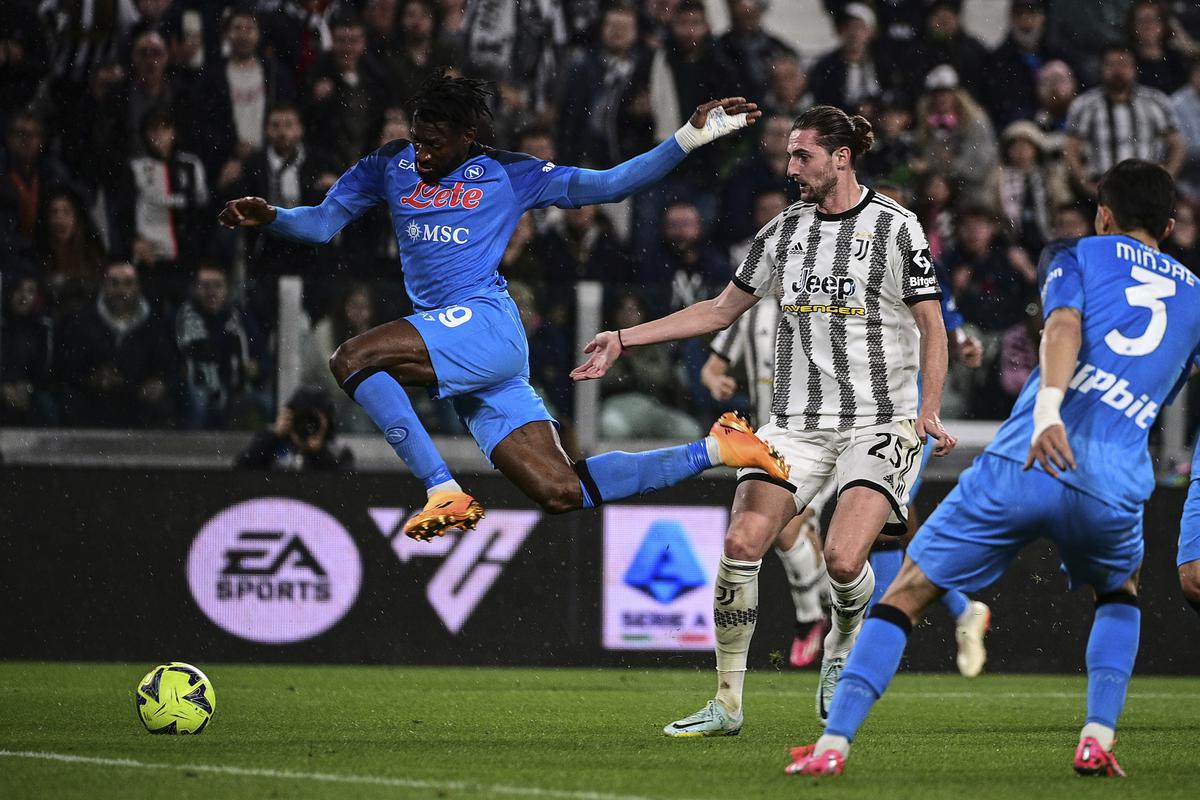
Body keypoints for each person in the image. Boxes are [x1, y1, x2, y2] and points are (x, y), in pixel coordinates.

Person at [219, 72, 785, 542]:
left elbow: (612, 185)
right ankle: (719, 446)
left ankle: (441, 490)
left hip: (484, 324)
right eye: (416, 138)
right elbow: (321, 224)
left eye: (434, 142)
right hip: (464, 349)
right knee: (562, 490)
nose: (421, 152)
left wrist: (688, 137)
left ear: (467, 136)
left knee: (351, 357)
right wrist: (272, 217)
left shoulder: (509, 173)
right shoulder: (388, 164)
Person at [786, 159, 1200, 778]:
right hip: (1113, 481)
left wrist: (1051, 413)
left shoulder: (1077, 252)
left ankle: (832, 746)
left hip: (1025, 459)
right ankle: (1095, 737)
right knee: (1119, 592)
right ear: (1169, 225)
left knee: (908, 593)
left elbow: (1062, 326)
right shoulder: (1196, 295)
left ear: (1103, 214)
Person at [572, 105, 956, 735]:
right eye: (788, 155)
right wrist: (623, 337)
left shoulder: (897, 227)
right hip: (794, 425)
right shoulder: (782, 232)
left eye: (803, 155)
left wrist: (929, 408)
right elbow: (720, 310)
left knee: (839, 558)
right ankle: (726, 704)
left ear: (841, 157)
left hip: (879, 421)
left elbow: (932, 325)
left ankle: (841, 641)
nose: (791, 166)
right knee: (740, 544)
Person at [1064, 44, 1185, 198]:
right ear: (1102, 68)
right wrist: (1086, 186)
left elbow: (1178, 145)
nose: (1118, 71)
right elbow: (1070, 148)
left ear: (1135, 68)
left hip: (1147, 188)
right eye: (1111, 65)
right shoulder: (1084, 105)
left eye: (1123, 65)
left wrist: (1166, 179)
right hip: (1102, 188)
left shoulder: (1156, 101)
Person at [236, 384, 354, 471]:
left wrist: (318, 452)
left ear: (327, 420)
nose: (308, 424)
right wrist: (273, 436)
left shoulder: (339, 452)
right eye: (302, 417)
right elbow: (240, 471)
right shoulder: (272, 444)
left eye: (314, 419)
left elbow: (342, 488)